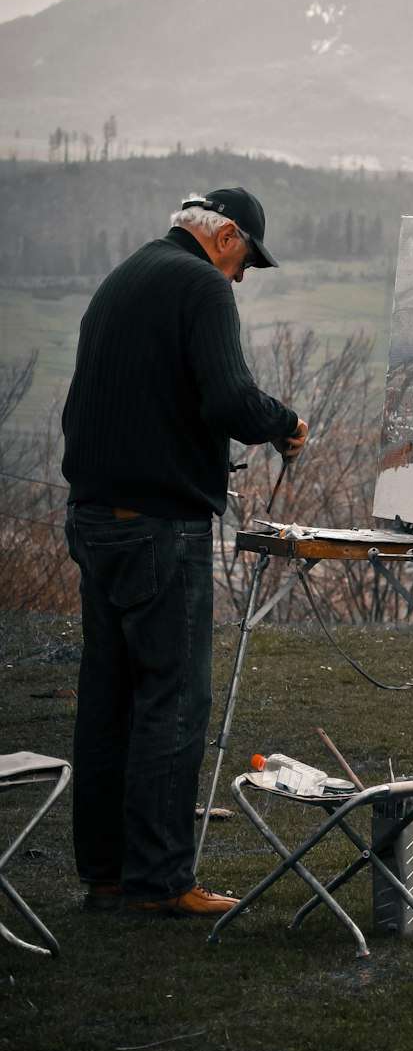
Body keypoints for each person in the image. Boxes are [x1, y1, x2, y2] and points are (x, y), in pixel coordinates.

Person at [61, 187, 308, 919]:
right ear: (225, 236)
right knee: (174, 699)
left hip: (95, 518)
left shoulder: (128, 273)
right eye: (246, 264)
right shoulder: (200, 284)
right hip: (157, 526)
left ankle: (106, 874)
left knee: (109, 700)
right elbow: (230, 400)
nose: (241, 278)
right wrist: (287, 422)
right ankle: (163, 882)